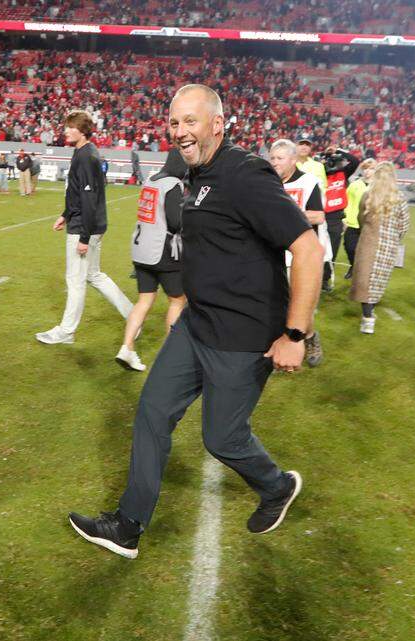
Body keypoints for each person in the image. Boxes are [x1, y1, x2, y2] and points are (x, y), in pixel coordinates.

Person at [68, 85, 321, 558]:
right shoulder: (193, 172)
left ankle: (277, 486)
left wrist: (295, 333)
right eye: (174, 123)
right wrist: (182, 303)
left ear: (217, 124)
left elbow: (307, 248)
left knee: (222, 439)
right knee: (151, 413)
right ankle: (128, 524)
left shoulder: (245, 174)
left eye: (190, 121)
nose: (180, 131)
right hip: (198, 324)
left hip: (243, 336)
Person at [36, 110, 133, 345]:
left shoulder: (87, 156)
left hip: (85, 228)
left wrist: (83, 236)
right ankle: (133, 315)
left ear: (83, 130)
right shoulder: (81, 152)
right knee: (94, 275)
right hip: (86, 224)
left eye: (71, 127)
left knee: (76, 280)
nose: (66, 130)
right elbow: (78, 194)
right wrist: (65, 214)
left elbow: (89, 200)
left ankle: (66, 331)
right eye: (67, 126)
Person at [116, 148, 187, 372]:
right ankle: (169, 357)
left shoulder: (151, 179)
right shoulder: (173, 184)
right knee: (177, 300)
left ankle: (127, 347)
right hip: (161, 250)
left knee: (144, 300)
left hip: (140, 249)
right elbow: (175, 223)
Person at [269, 138, 329, 367]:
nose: (275, 162)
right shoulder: (268, 182)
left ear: (293, 160)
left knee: (299, 303)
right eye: (272, 158)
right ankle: (277, 347)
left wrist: (289, 215)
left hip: (299, 255)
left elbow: (318, 216)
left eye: (280, 158)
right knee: (274, 303)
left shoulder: (308, 182)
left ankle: (311, 337)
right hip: (272, 252)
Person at [349, 162, 410, 334]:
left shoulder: (367, 195)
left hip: (369, 241)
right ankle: (370, 314)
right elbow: (404, 225)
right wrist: (395, 237)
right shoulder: (400, 198)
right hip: (389, 245)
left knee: (365, 281)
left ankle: (367, 319)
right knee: (377, 281)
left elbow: (361, 218)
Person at [318, 146, 360, 291]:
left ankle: (325, 279)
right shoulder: (319, 172)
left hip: (335, 216)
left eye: (334, 160)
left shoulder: (343, 173)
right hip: (319, 215)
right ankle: (313, 278)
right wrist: (323, 157)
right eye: (329, 161)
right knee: (317, 250)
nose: (332, 164)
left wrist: (337, 150)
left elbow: (354, 161)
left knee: (332, 252)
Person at [343, 157, 376, 278]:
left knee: (366, 251)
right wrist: (345, 218)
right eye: (365, 168)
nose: (368, 171)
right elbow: (347, 201)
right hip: (352, 223)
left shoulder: (377, 186)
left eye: (371, 169)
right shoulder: (355, 185)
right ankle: (353, 266)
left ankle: (361, 272)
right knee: (349, 247)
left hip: (369, 224)